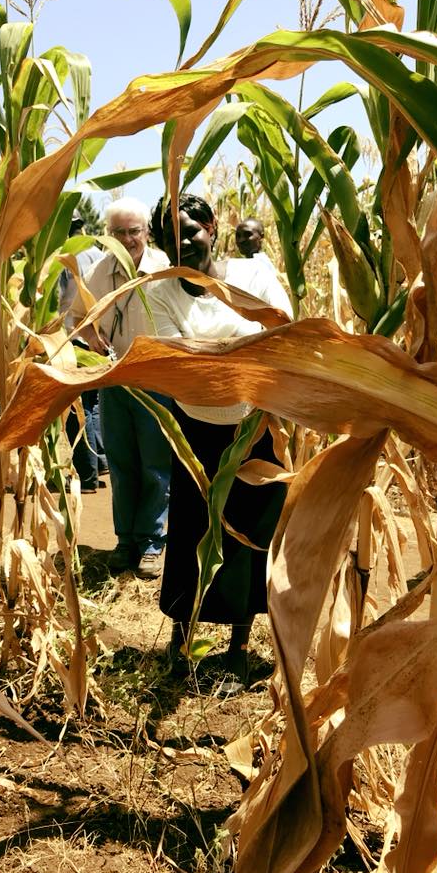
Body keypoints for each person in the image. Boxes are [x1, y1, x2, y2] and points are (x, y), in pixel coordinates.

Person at [148, 194, 293, 696]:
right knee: (192, 531)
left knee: (250, 535)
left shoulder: (252, 276)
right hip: (196, 430)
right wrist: (239, 351)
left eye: (189, 229)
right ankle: (181, 639)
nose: (180, 242)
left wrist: (220, 360)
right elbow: (178, 362)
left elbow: (280, 333)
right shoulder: (162, 292)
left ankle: (239, 647)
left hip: (255, 428)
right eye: (168, 236)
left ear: (212, 227)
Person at [72, 197, 172, 579]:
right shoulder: (99, 271)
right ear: (108, 235)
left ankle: (152, 542)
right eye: (119, 232)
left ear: (146, 231)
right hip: (115, 378)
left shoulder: (163, 268)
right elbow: (79, 316)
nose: (127, 239)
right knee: (122, 463)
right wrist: (94, 341)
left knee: (155, 464)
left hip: (155, 378)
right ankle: (126, 540)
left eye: (134, 231)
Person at [60, 209, 108, 493]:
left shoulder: (68, 256)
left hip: (73, 338)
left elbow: (57, 300)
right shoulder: (101, 255)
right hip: (98, 339)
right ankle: (101, 463)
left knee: (79, 410)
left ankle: (86, 476)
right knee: (94, 404)